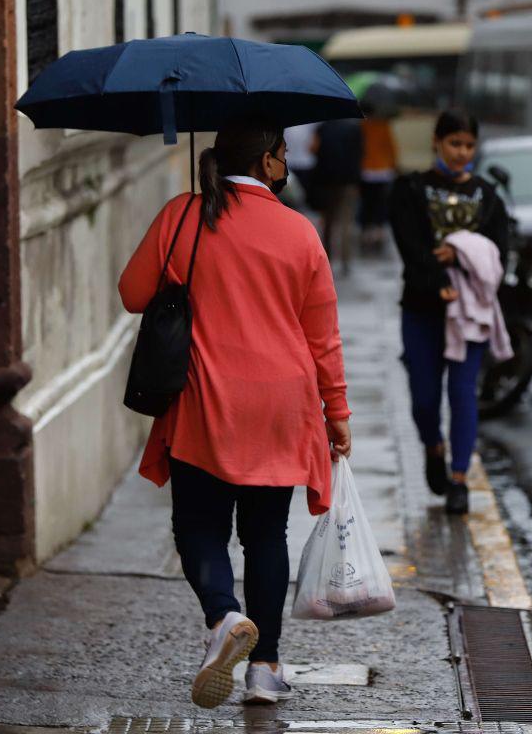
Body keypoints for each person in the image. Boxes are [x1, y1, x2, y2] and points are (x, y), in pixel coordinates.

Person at [118, 119, 352, 708]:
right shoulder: (300, 232)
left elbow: (132, 293)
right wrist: (338, 413)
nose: (286, 161)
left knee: (198, 525)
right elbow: (323, 337)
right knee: (266, 535)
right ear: (270, 162)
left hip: (203, 398)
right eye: (282, 152)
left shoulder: (182, 215)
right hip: (282, 403)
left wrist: (187, 240)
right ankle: (265, 668)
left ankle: (224, 616)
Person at [389, 110, 509, 515]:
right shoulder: (410, 190)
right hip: (421, 310)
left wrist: (460, 249)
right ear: (437, 142)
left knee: (462, 396)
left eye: (469, 145)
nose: (461, 152)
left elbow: (498, 253)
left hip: (470, 313)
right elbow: (409, 246)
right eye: (454, 143)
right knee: (424, 399)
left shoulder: (488, 197)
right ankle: (432, 446)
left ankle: (459, 479)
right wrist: (437, 275)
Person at [312, 118, 364, 275]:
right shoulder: (355, 129)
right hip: (349, 182)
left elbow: (313, 149)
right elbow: (361, 154)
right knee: (346, 222)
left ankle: (327, 259)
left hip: (326, 181)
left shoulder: (322, 127)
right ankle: (345, 261)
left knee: (328, 222)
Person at [358, 114, 398, 252]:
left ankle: (366, 232)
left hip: (365, 171)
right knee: (380, 203)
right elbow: (391, 147)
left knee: (366, 203)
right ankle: (379, 231)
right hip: (382, 171)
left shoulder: (362, 127)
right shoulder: (384, 126)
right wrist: (394, 165)